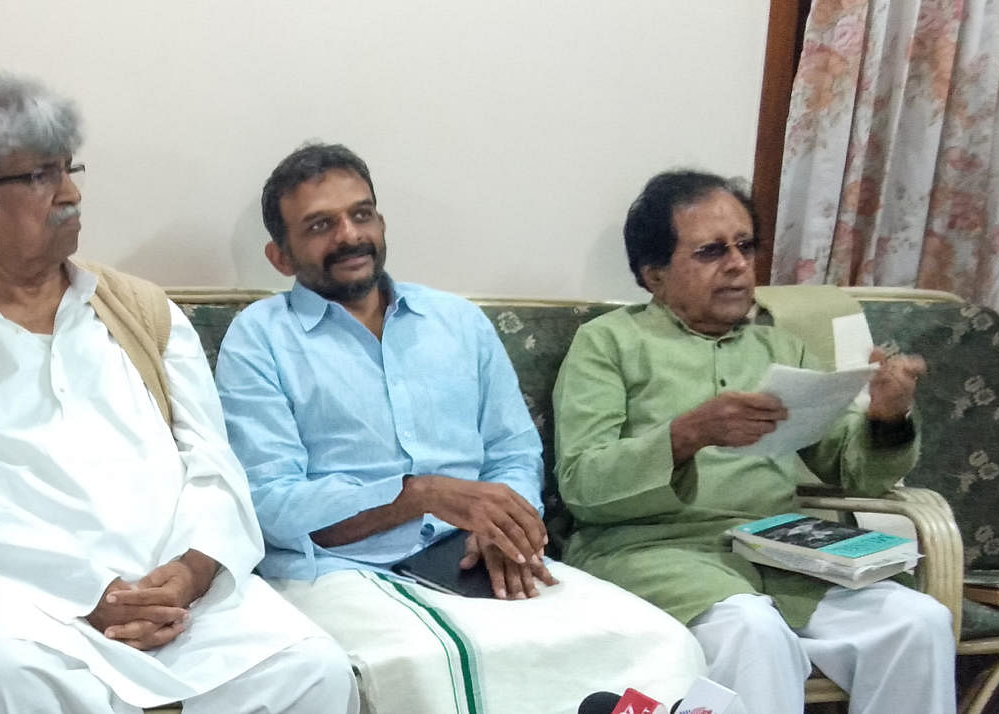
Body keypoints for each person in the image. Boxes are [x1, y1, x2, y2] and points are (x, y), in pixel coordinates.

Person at [0, 72, 358, 714]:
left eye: (68, 170)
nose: (69, 194)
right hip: (23, 603)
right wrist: (88, 590)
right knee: (7, 674)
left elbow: (215, 466)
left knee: (312, 669)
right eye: (39, 176)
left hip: (179, 597)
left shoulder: (144, 310)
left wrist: (190, 572)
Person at [214, 143, 706, 713]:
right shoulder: (261, 338)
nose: (349, 235)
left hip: (471, 554)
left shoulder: (457, 322)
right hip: (339, 571)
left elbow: (513, 451)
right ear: (280, 256)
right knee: (438, 669)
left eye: (361, 213)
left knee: (659, 645)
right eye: (321, 225)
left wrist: (503, 524)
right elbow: (272, 505)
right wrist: (418, 496)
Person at [552, 170, 956, 713]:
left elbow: (854, 471)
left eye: (745, 246)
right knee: (753, 628)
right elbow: (582, 483)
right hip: (651, 553)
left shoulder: (781, 346)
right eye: (710, 251)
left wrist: (887, 417)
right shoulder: (608, 343)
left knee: (919, 621)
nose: (738, 264)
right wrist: (688, 434)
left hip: (786, 551)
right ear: (654, 274)